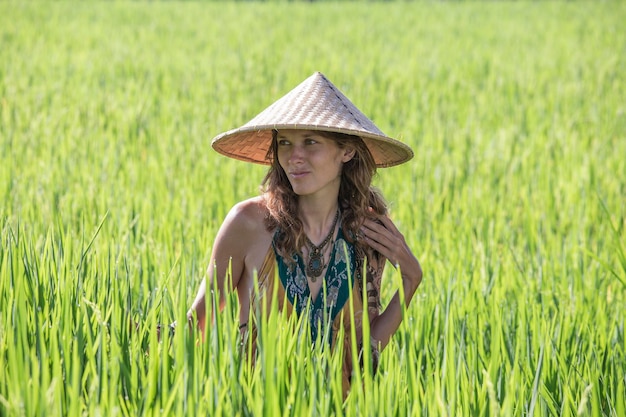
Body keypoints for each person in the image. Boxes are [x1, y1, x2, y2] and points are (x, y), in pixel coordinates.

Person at [187, 72, 423, 394]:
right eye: (284, 142)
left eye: (310, 142)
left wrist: (411, 282)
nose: (294, 156)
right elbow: (198, 323)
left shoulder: (365, 233)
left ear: (347, 152)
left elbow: (360, 355)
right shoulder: (248, 223)